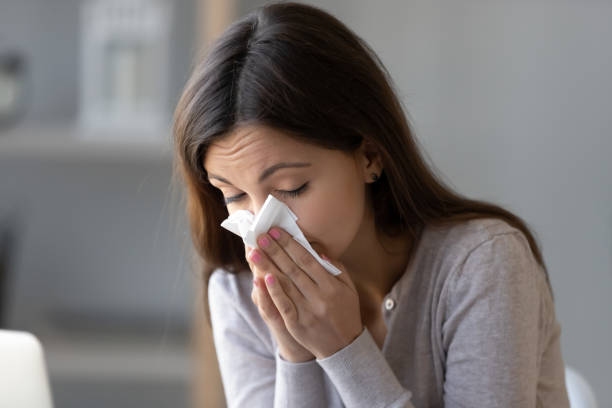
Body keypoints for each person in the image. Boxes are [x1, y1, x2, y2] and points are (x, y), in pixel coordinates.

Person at [172, 2, 570, 407]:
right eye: (233, 195)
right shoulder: (240, 294)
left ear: (370, 157)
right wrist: (296, 355)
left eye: (292, 188)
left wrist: (345, 350)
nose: (262, 229)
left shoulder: (481, 265)